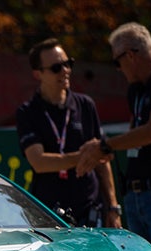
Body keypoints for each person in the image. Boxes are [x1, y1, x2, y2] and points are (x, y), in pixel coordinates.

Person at [78, 23, 151, 251]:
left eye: (116, 63)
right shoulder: (136, 90)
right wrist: (105, 151)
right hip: (136, 195)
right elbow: (135, 134)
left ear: (130, 55)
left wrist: (105, 146)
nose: (119, 69)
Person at [16, 38, 122, 228]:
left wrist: (113, 208)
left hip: (89, 210)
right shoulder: (28, 112)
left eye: (68, 64)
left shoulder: (85, 105)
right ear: (38, 74)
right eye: (56, 67)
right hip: (48, 215)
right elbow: (39, 162)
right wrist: (86, 156)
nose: (65, 71)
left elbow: (103, 162)